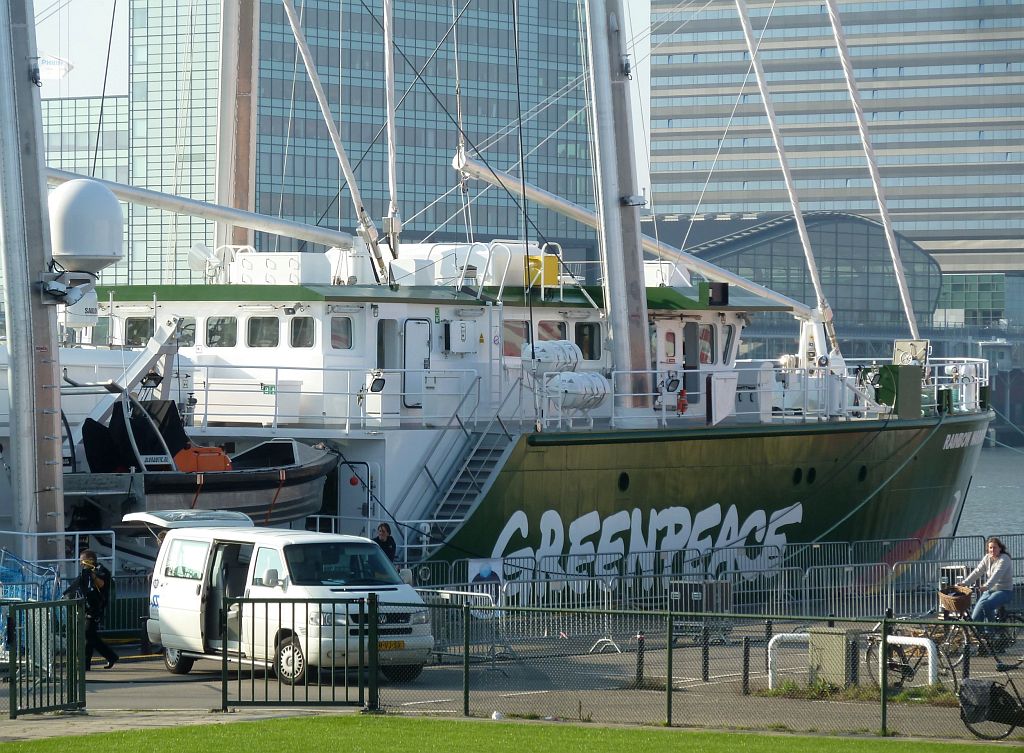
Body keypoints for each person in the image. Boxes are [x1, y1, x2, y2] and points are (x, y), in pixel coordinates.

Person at [64, 550, 119, 670]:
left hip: (97, 607)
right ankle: (110, 657)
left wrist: (92, 575)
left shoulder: (101, 570)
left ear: (90, 560)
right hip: (87, 607)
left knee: (88, 635)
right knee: (90, 636)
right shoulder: (85, 572)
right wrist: (66, 594)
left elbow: (102, 584)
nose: (80, 564)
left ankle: (86, 665)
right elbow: (76, 584)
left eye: (82, 561)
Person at [961, 536, 1013, 628]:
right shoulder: (987, 558)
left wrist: (986, 586)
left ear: (1000, 548)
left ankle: (991, 632)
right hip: (990, 590)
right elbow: (978, 571)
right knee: (975, 617)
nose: (992, 550)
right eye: (990, 548)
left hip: (1004, 591)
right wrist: (965, 583)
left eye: (995, 547)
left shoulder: (1004, 559)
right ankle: (981, 637)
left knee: (986, 605)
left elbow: (997, 575)